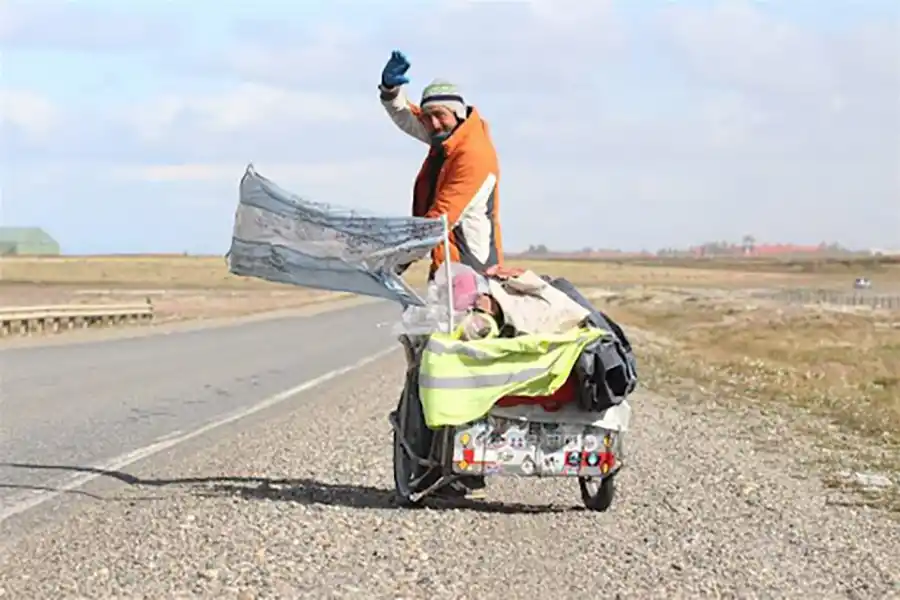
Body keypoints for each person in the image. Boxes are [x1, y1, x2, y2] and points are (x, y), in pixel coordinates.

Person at [378, 50, 504, 282]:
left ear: (456, 113)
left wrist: (392, 262)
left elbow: (440, 220)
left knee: (462, 319)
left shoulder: (474, 155)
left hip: (472, 270)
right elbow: (407, 116)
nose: (434, 123)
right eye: (428, 117)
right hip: (448, 266)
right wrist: (389, 90)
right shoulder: (449, 138)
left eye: (440, 115)